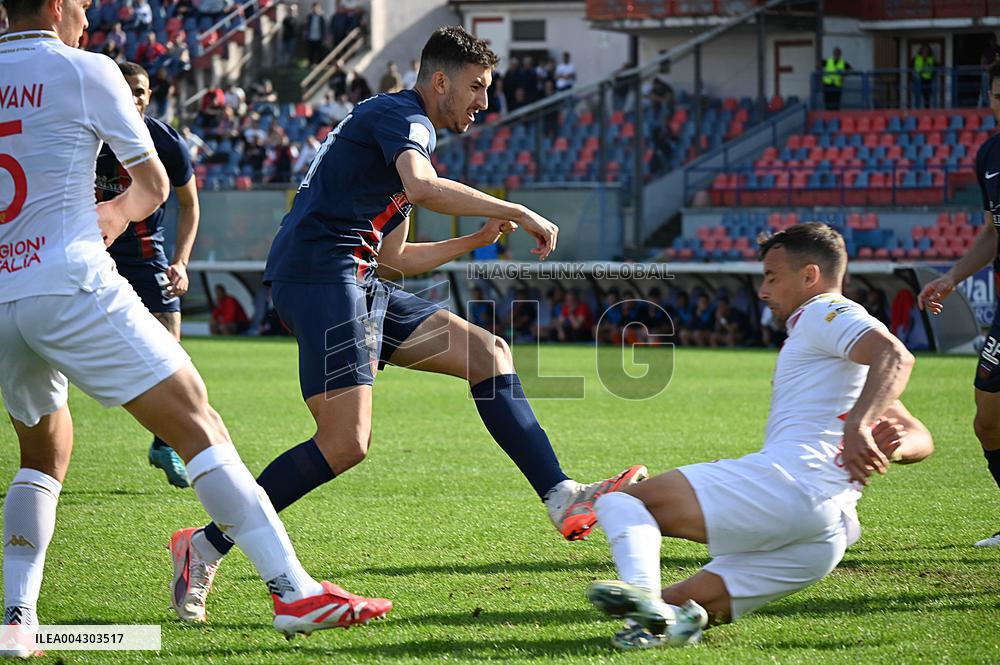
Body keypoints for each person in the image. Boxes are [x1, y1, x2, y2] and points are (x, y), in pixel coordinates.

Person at [166, 25, 646, 623]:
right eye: (477, 87)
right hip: (320, 273)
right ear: (439, 80)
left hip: (354, 277)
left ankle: (560, 494)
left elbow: (393, 257)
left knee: (488, 353)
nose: (484, 103)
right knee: (345, 442)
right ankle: (206, 546)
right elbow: (422, 187)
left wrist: (473, 238)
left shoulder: (398, 134)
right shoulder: (405, 118)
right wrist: (512, 207)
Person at [0, 0, 391, 655]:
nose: (89, 20)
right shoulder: (85, 69)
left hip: (3, 292)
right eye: (83, 5)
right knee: (197, 422)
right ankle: (293, 589)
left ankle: (17, 617)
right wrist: (115, 213)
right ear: (57, 3)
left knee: (43, 453)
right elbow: (152, 184)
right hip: (66, 278)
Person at [586, 223, 933, 649]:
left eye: (772, 276)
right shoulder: (835, 350)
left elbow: (896, 354)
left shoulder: (827, 312)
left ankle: (639, 590)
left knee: (622, 502)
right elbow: (919, 434)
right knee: (668, 611)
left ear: (810, 275)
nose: (763, 290)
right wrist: (895, 444)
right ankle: (667, 620)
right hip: (824, 537)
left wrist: (859, 426)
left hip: (794, 487)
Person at [94, 61, 199, 489]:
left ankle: (163, 442)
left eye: (140, 91)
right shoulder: (88, 135)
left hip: (145, 255)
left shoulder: (165, 141)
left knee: (170, 347)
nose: (133, 97)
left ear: (149, 96)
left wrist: (182, 261)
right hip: (91, 248)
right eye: (125, 89)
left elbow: (190, 206)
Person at [918, 59, 1000, 548]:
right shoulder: (989, 154)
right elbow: (994, 231)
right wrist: (952, 276)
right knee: (987, 417)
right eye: (996, 95)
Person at [913, 45, 935, 109]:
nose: (925, 53)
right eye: (924, 52)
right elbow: (917, 69)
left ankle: (927, 108)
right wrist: (923, 69)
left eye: (926, 52)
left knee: (927, 94)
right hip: (920, 78)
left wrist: (927, 69)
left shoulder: (930, 58)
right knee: (918, 93)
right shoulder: (918, 58)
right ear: (921, 52)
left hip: (928, 78)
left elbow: (931, 68)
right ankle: (917, 108)